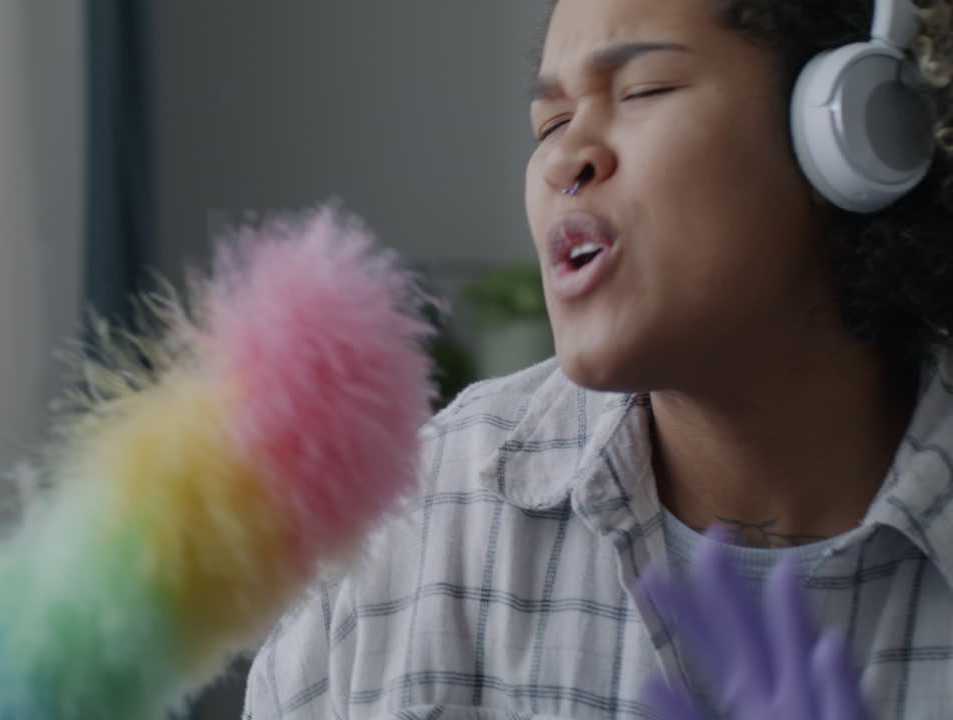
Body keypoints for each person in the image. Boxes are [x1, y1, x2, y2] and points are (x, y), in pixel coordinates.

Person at [242, 0, 953, 717]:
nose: (563, 160)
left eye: (643, 90)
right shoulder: (416, 522)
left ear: (857, 129)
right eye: (550, 123)